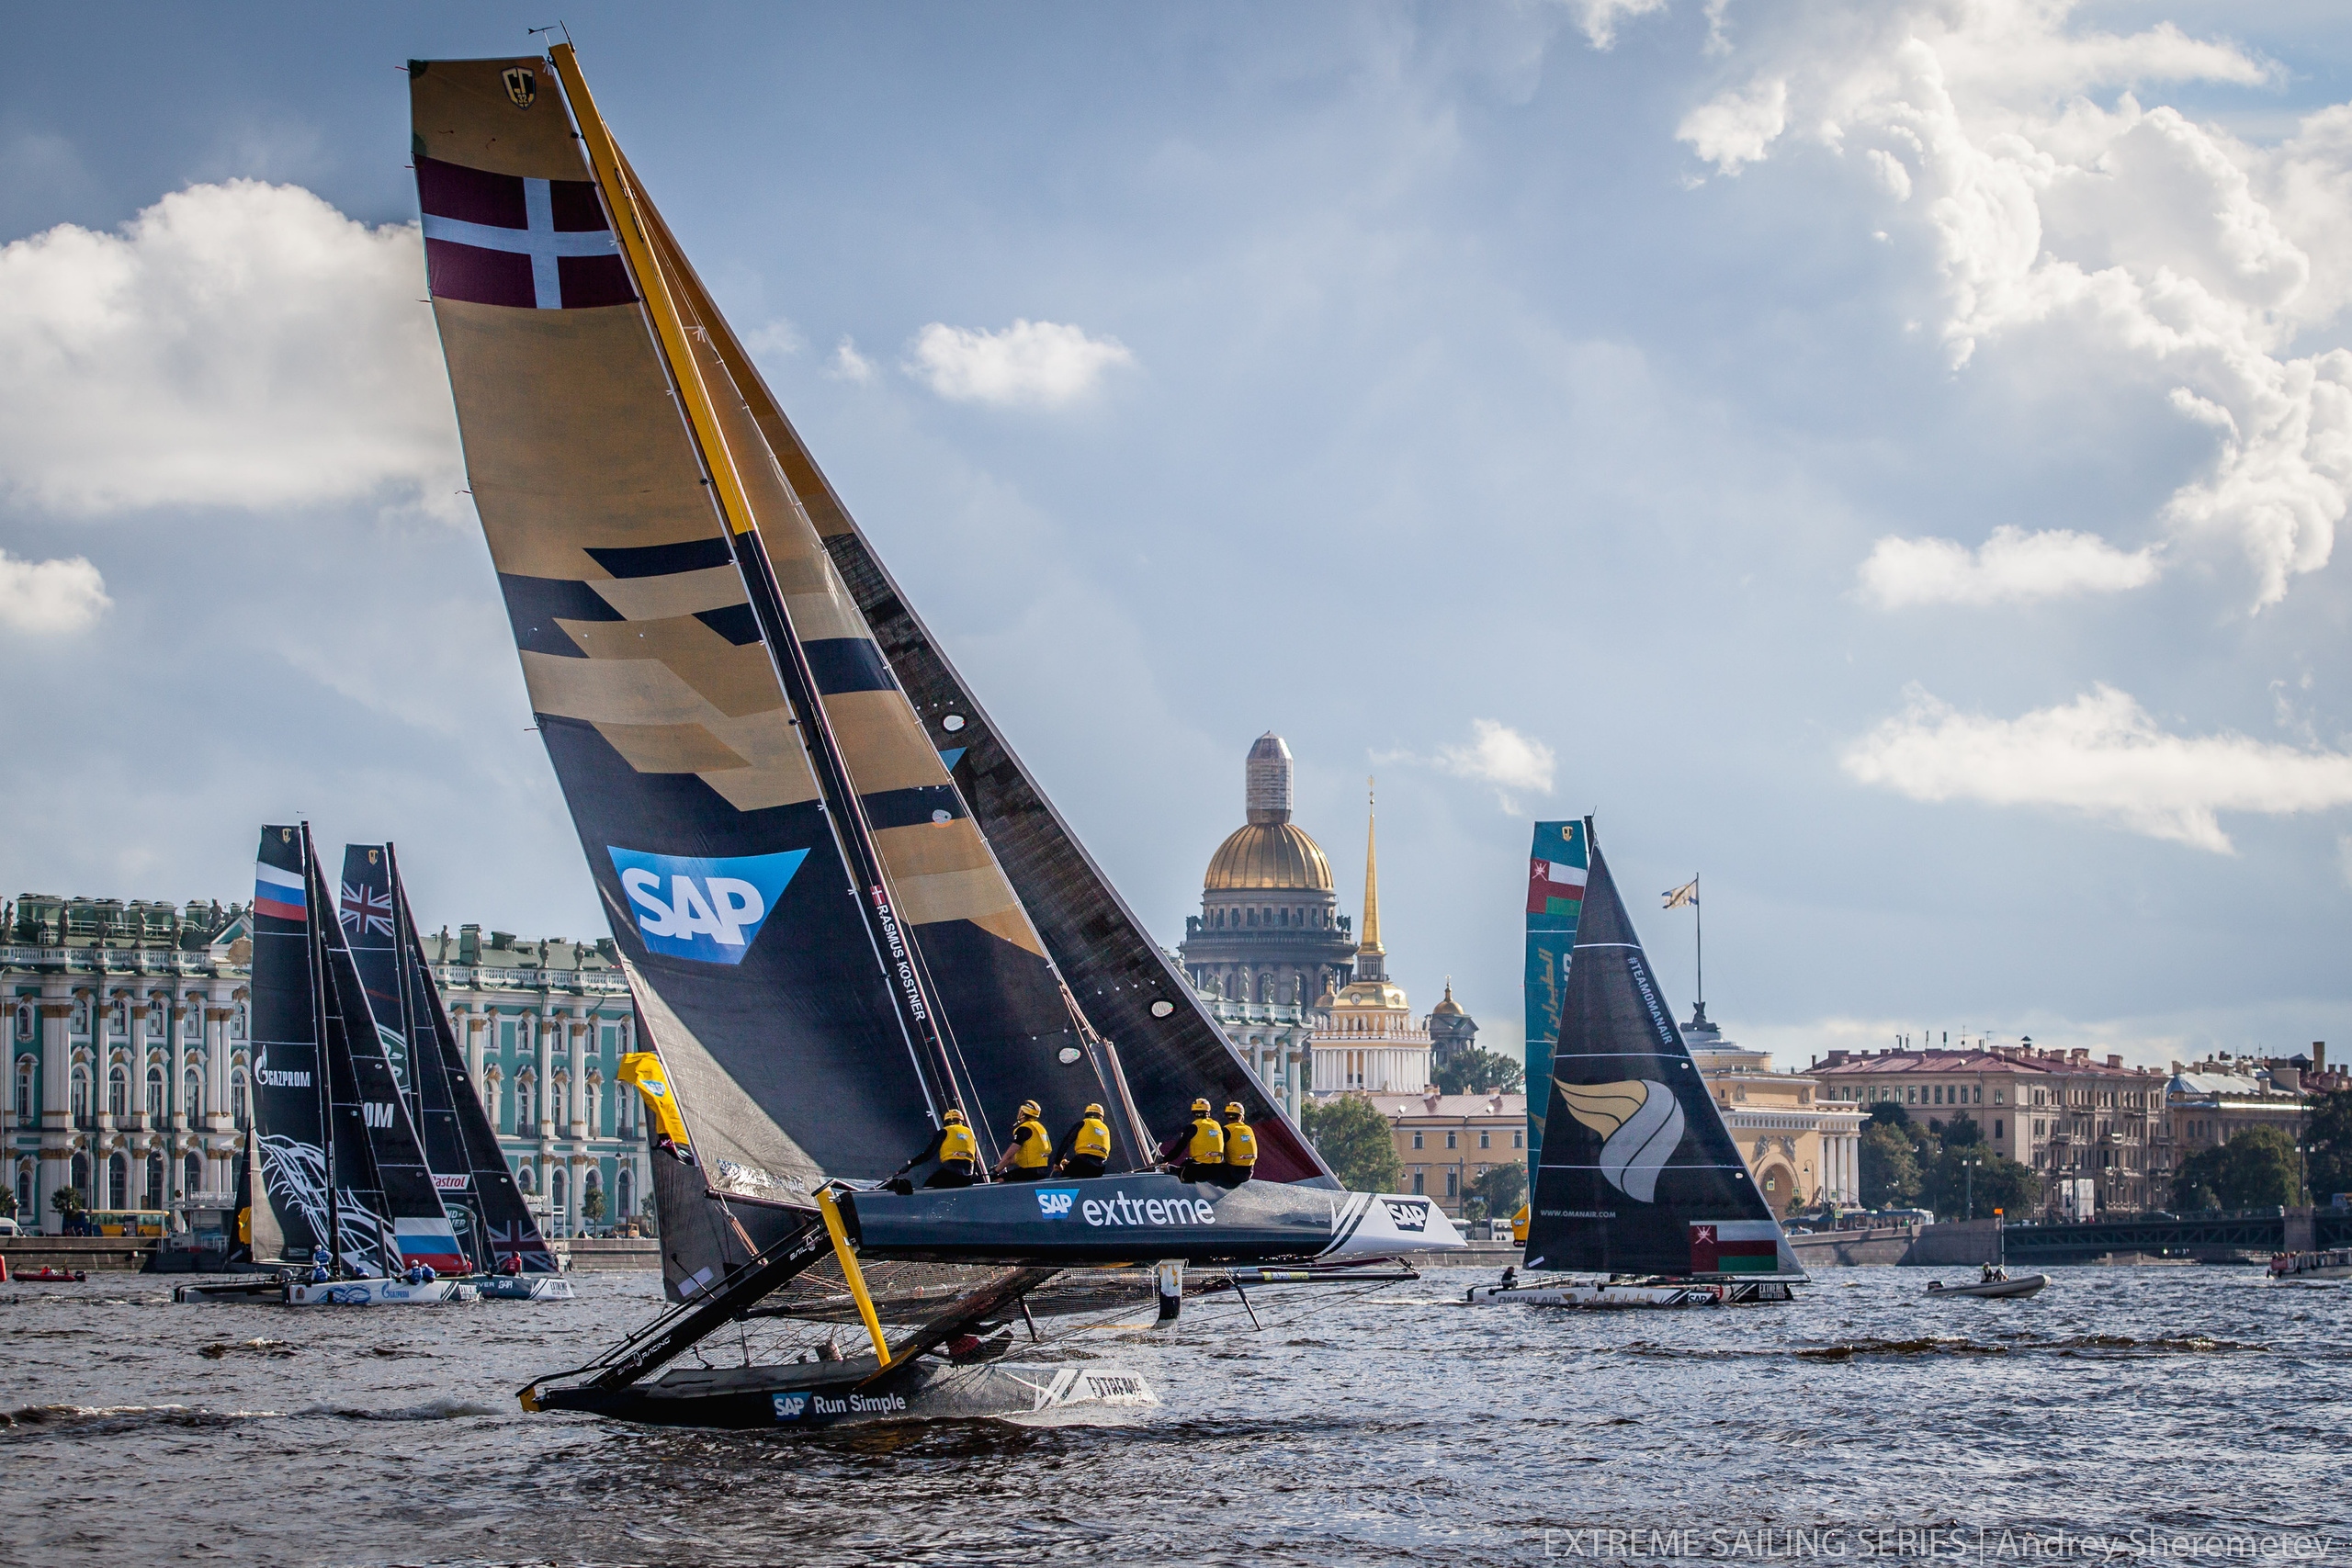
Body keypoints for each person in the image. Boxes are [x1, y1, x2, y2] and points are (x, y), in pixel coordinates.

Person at [895, 1107, 981, 1189]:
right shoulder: (970, 1134)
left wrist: (910, 1165)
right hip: (967, 1174)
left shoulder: (945, 1131)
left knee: (928, 1186)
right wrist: (973, 1178)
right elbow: (976, 1159)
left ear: (946, 1122)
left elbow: (928, 1154)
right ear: (961, 1121)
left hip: (951, 1172)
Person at [1159, 1098, 1225, 1183]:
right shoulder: (1217, 1125)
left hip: (1200, 1168)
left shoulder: (1193, 1127)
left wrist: (1165, 1159)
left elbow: (1179, 1148)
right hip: (1218, 1168)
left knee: (1178, 1171)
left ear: (1193, 1112)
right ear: (1208, 1112)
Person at [993, 1100, 1053, 1182]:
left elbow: (1009, 1155)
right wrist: (1001, 1164)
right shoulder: (1039, 1127)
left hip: (1031, 1170)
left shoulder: (1024, 1128)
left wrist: (996, 1170)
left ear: (1023, 1113)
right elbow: (1028, 1154)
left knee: (998, 1180)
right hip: (1043, 1169)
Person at [1053, 1103, 1113, 1179]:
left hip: (1082, 1161)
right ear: (1101, 1118)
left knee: (1065, 1180)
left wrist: (1057, 1162)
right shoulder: (1105, 1129)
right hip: (1100, 1166)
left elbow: (1067, 1142)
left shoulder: (1083, 1123)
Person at [1216, 1101, 1258, 1189]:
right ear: (1241, 1117)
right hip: (1249, 1171)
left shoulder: (1226, 1130)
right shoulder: (1249, 1129)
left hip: (1233, 1173)